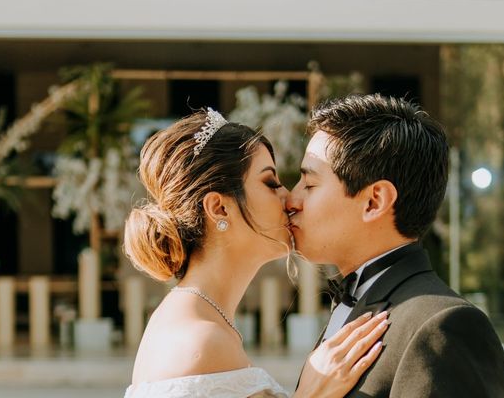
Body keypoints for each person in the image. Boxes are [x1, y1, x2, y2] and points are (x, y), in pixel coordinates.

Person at [123, 109, 389, 398]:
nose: (289, 197)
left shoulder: (196, 321)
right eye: (271, 183)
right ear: (219, 208)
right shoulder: (202, 340)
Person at [286, 94, 504, 397]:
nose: (291, 199)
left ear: (374, 201)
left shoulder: (444, 328)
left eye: (310, 184)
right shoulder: (359, 303)